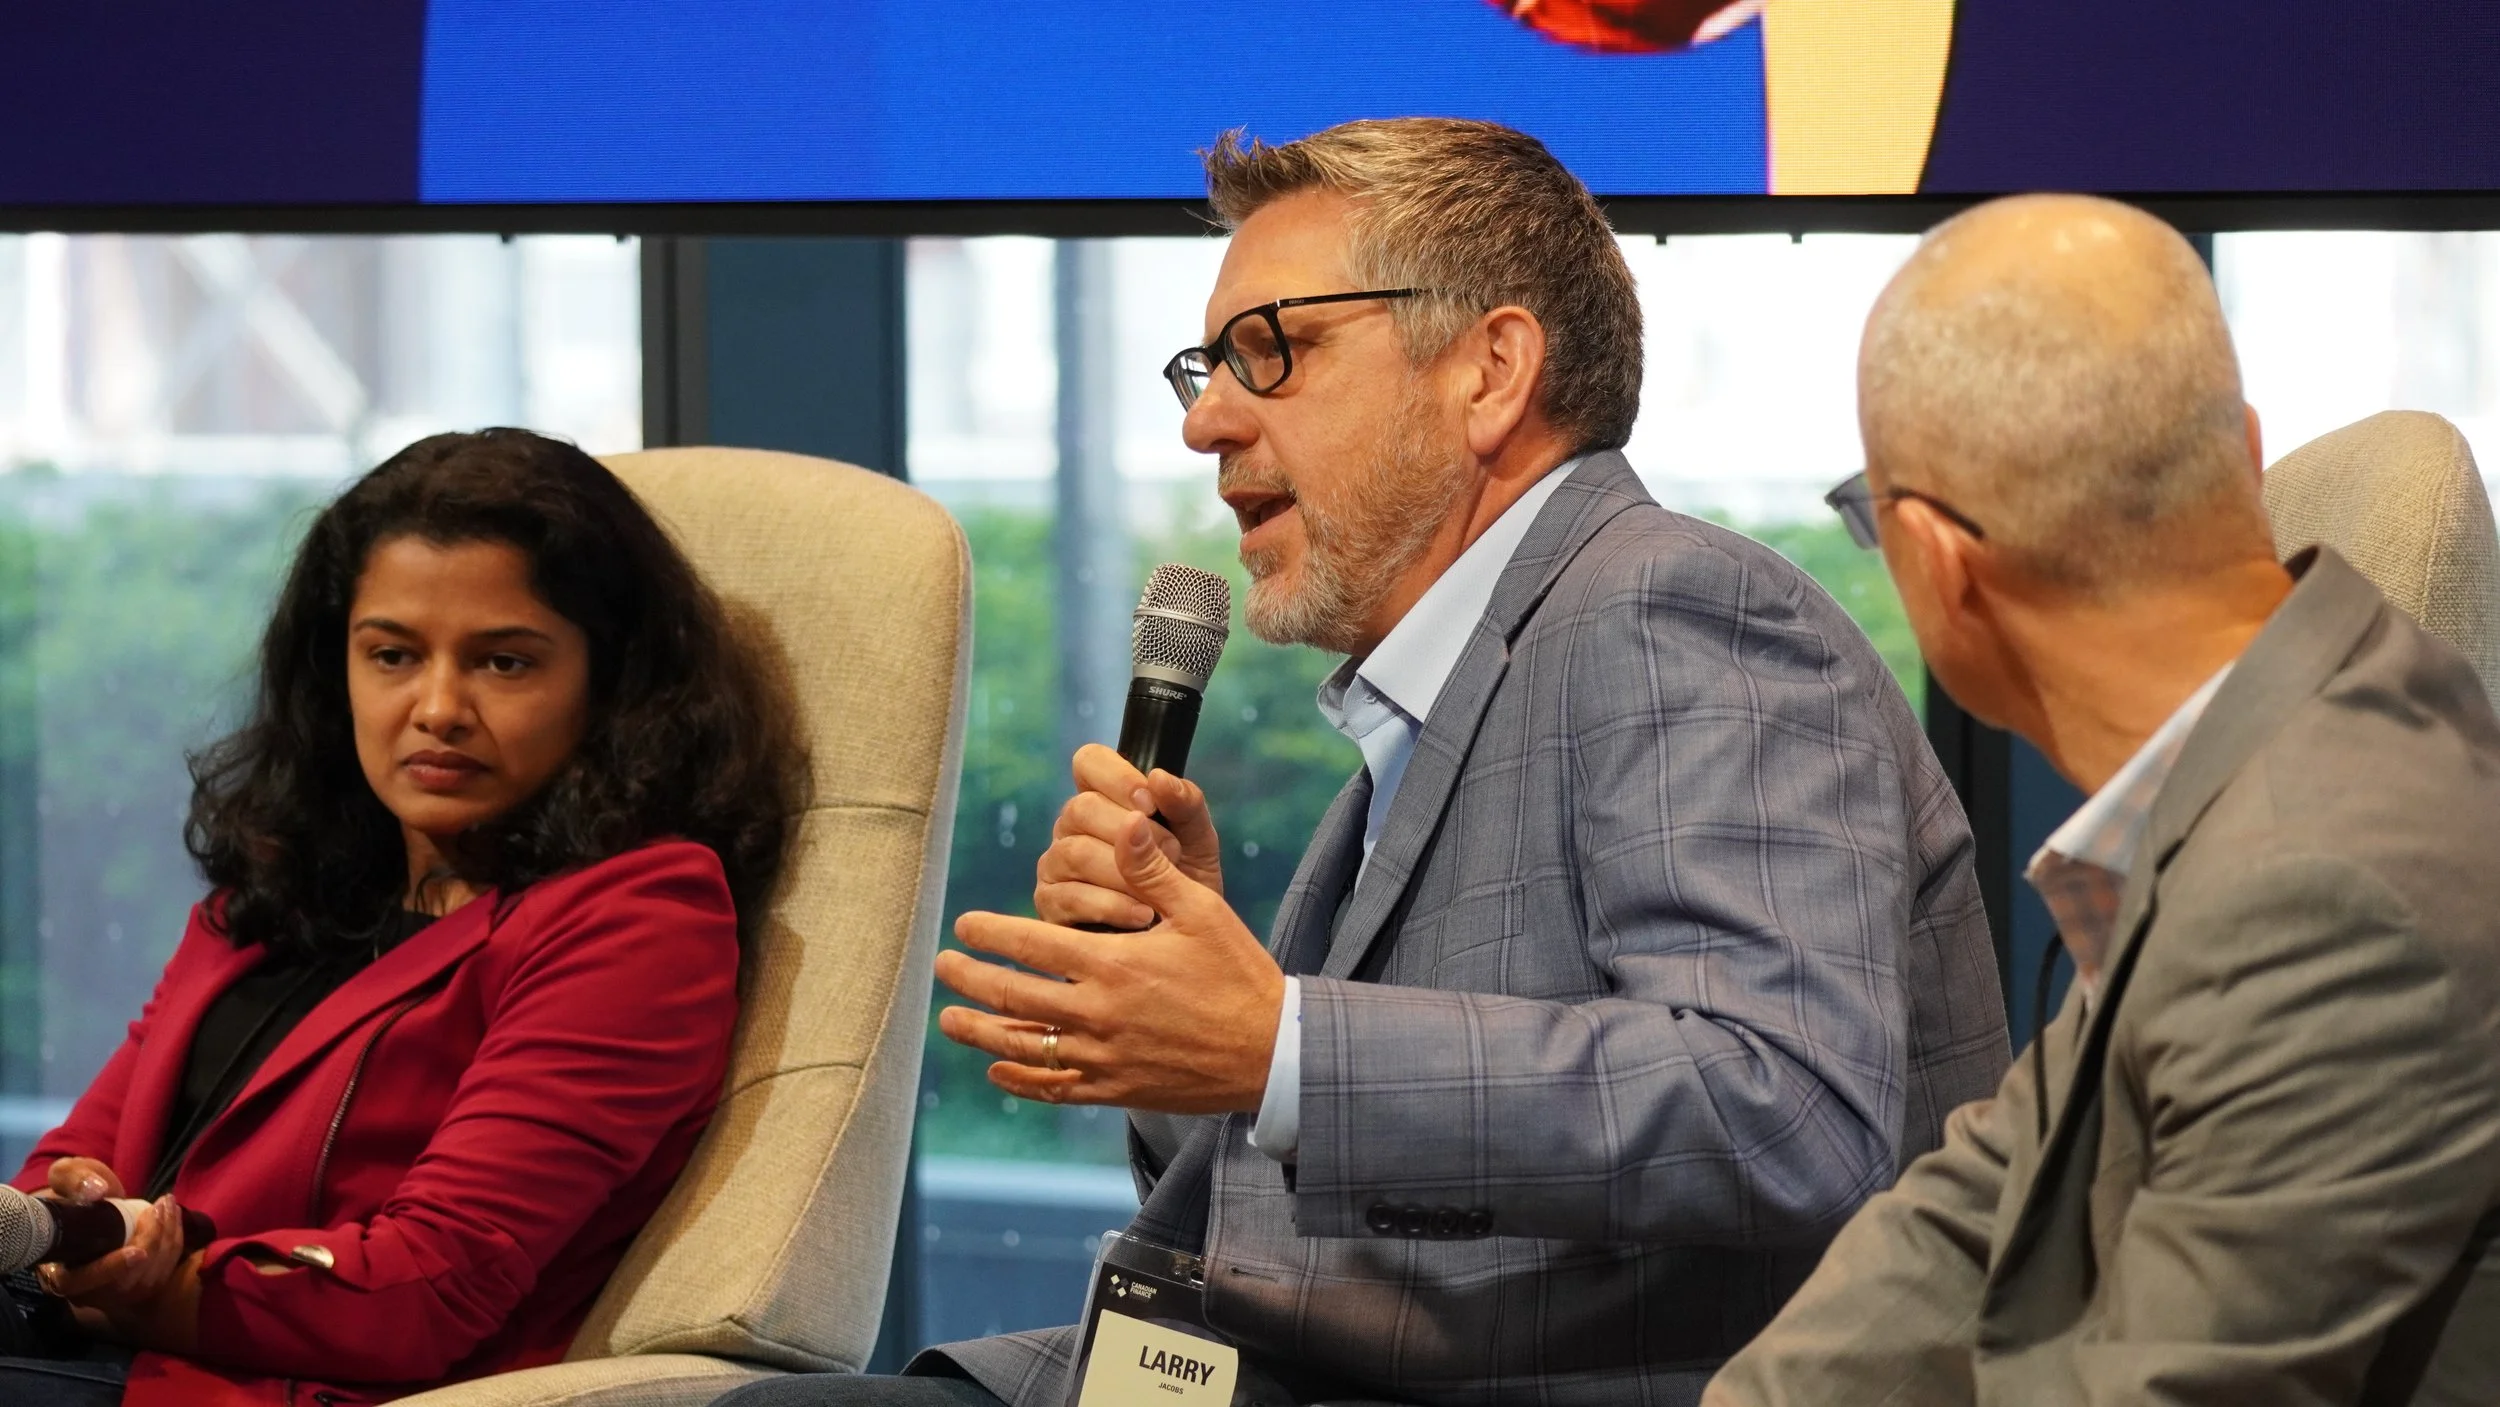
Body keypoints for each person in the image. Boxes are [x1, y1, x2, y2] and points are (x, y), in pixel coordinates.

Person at [722, 117, 2005, 1407]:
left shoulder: (1677, 604)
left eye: (1272, 349)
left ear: (1491, 372)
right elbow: (1343, 1180)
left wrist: (1275, 1042)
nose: (1207, 423)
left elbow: (1784, 1107)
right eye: (1204, 368)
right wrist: (1192, 1023)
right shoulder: (1445, 693)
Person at [1706, 196, 2500, 1404]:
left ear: (1935, 560)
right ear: (2242, 455)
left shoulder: (2312, 884)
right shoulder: (2258, 775)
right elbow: (1981, 1213)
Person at [0, 429, 807, 1406]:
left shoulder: (639, 915)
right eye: (391, 654)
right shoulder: (278, 882)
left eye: (503, 664)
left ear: (610, 685)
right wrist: (78, 1213)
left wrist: (145, 1282)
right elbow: (62, 1178)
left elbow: (421, 1290)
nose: (436, 708)